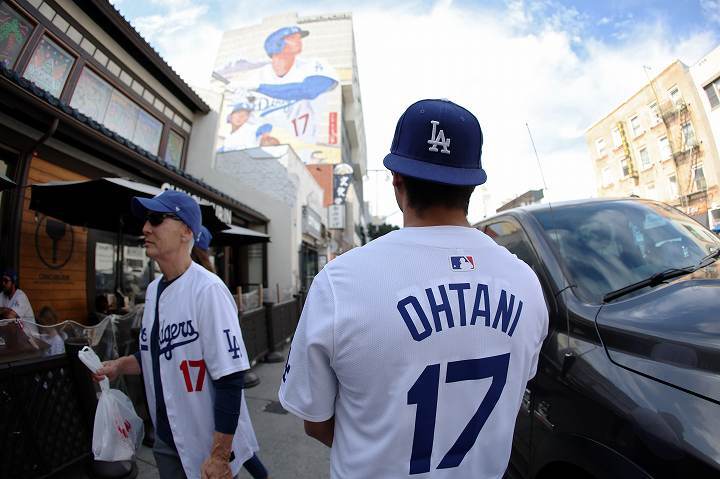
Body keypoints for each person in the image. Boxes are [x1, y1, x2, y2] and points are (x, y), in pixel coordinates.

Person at [279, 99, 549, 478]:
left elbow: (316, 421)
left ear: (396, 181)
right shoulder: (525, 282)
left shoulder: (342, 282)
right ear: (472, 183)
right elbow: (517, 388)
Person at [93, 190, 268, 479]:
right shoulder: (153, 289)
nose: (146, 228)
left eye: (157, 219)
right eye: (147, 220)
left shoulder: (208, 290)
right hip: (166, 439)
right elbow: (157, 354)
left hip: (206, 443)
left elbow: (230, 378)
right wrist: (120, 365)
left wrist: (219, 455)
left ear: (187, 231)